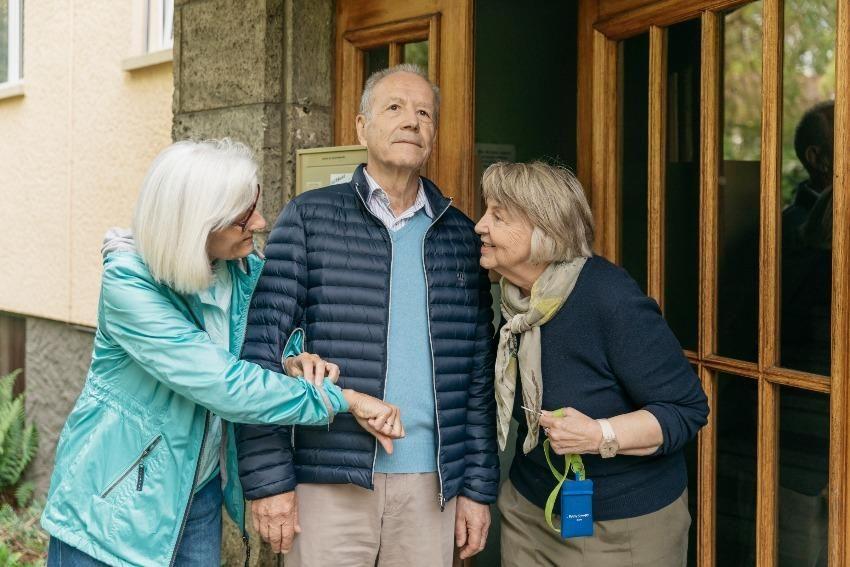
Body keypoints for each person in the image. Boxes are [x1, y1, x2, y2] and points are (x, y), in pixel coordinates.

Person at [40, 139, 402, 567]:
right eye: (243, 217)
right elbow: (225, 384)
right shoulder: (129, 287)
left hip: (198, 494)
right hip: (112, 507)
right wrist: (344, 399)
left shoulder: (243, 270)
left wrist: (292, 359)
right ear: (196, 224)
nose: (262, 222)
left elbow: (262, 339)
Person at [236, 63, 498, 566]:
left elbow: (476, 379)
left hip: (432, 486)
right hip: (326, 479)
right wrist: (270, 483)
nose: (411, 121)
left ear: (434, 134)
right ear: (360, 126)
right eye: (394, 108)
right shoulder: (309, 218)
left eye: (424, 112)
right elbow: (260, 355)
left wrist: (478, 488)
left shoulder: (459, 236)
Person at [475, 161, 708, 566]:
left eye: (497, 216)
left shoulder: (609, 298)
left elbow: (686, 411)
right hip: (529, 511)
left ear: (544, 231)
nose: (479, 225)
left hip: (623, 527)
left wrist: (599, 434)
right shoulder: (517, 302)